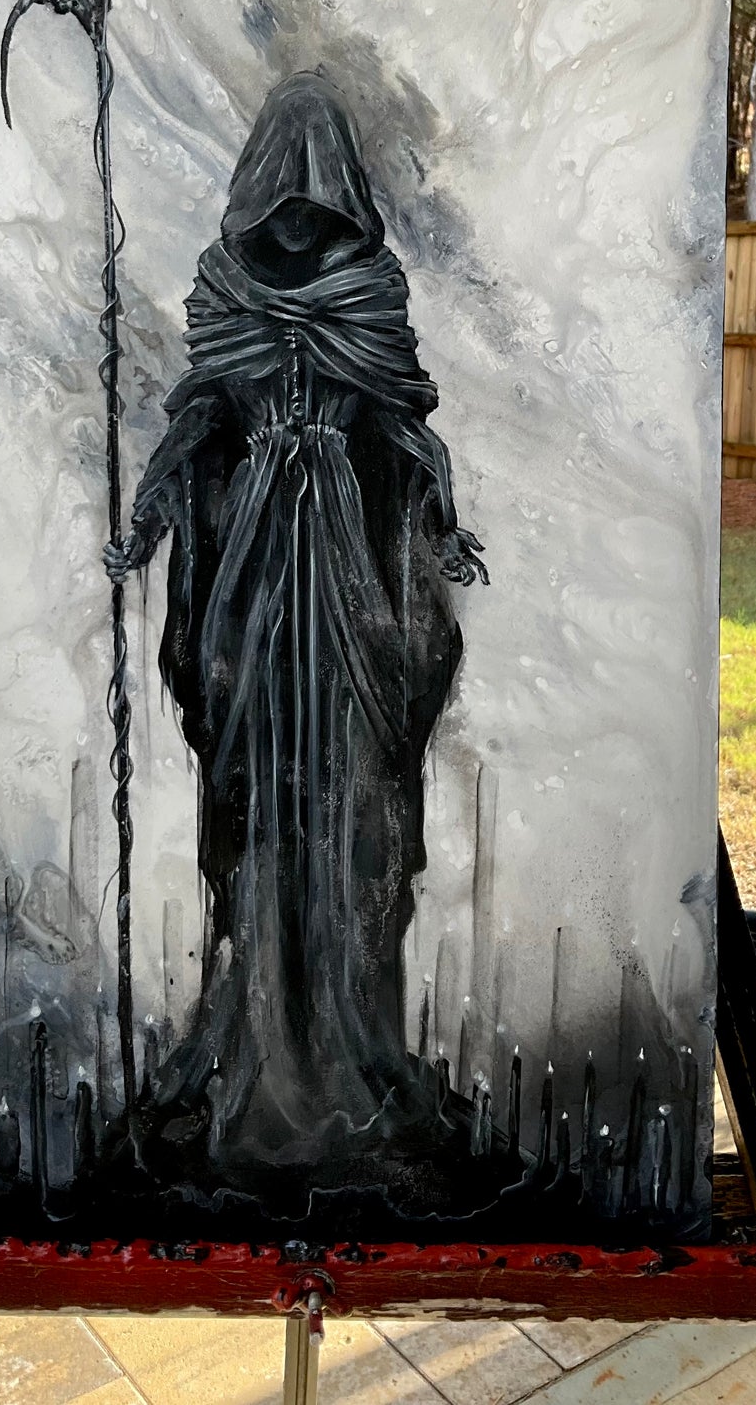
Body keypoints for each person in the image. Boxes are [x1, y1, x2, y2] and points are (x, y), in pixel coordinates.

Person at [104, 69, 487, 1207]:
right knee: (258, 797)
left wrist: (441, 523)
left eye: (315, 178)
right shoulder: (224, 284)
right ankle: (257, 1040)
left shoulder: (370, 284)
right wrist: (147, 520)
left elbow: (401, 420)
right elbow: (197, 417)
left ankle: (345, 1041)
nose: (301, 198)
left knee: (354, 805)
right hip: (253, 586)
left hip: (349, 591)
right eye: (291, 174)